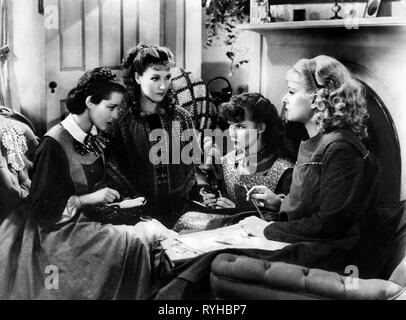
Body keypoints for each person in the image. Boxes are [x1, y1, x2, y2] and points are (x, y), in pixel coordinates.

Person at [155, 55, 392, 299]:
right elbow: (316, 201)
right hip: (307, 237)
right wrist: (279, 202)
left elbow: (331, 224)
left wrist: (267, 230)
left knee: (216, 256)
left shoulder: (341, 149)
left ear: (319, 98)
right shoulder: (318, 142)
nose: (284, 98)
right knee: (214, 230)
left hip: (331, 252)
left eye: (291, 91)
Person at [1, 68, 176, 299]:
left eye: (117, 109)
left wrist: (121, 203)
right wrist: (88, 199)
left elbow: (95, 186)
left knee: (156, 232)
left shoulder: (93, 135)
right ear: (89, 102)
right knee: (139, 241)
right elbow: (42, 212)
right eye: (111, 108)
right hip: (58, 236)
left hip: (87, 222)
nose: (115, 116)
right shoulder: (54, 143)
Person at [105, 44, 197, 228]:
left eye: (167, 77)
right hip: (136, 214)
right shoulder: (120, 120)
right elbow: (112, 167)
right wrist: (137, 202)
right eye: (155, 78)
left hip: (179, 211)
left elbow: (190, 165)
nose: (163, 86)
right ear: (138, 77)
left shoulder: (181, 116)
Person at [174, 93, 294, 231]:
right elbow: (213, 193)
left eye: (241, 127)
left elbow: (287, 222)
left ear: (260, 128)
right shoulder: (227, 162)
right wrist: (211, 201)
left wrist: (237, 212)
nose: (233, 133)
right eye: (231, 125)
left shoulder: (285, 171)